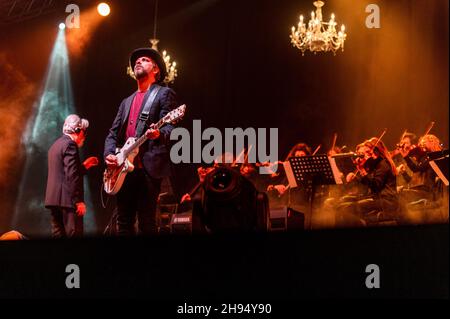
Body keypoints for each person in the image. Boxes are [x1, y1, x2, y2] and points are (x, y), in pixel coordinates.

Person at [104, 47, 177, 235]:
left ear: (156, 70)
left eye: (144, 60)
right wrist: (110, 155)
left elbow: (170, 129)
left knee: (147, 222)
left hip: (147, 169)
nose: (138, 62)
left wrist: (158, 134)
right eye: (136, 61)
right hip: (123, 168)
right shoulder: (126, 101)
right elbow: (112, 134)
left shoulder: (163, 94)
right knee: (124, 222)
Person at [45, 114, 98, 237]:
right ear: (79, 131)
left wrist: (84, 166)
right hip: (68, 202)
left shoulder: (55, 146)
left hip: (54, 201)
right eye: (84, 133)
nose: (84, 137)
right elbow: (71, 175)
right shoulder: (70, 145)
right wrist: (78, 201)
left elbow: (64, 172)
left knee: (58, 236)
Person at [337, 137, 398, 227]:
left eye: (368, 152)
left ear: (376, 151)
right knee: (340, 206)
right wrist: (360, 172)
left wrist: (362, 171)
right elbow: (368, 184)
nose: (365, 155)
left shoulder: (383, 164)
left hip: (387, 201)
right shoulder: (375, 164)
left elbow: (375, 186)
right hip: (378, 199)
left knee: (348, 209)